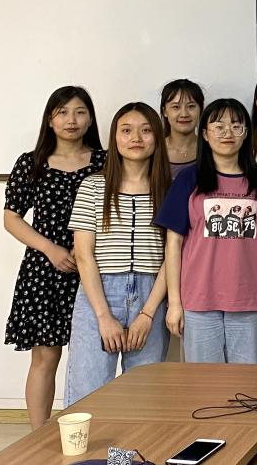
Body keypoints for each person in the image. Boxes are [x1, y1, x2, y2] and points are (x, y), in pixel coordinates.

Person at [2, 85, 106, 429]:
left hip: (94, 268)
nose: (71, 120)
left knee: (93, 359)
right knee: (45, 358)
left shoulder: (106, 162)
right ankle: (38, 436)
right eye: (62, 112)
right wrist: (50, 249)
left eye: (79, 112)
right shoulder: (31, 162)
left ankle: (90, 433)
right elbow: (11, 218)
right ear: (50, 120)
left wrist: (85, 249)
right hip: (44, 271)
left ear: (90, 119)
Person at [156, 99, 257, 364]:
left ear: (246, 133)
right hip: (199, 301)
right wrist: (175, 302)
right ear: (205, 133)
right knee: (203, 383)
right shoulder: (189, 179)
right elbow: (173, 244)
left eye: (236, 126)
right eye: (219, 126)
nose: (228, 133)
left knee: (245, 383)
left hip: (249, 302)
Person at [64, 102, 171, 406]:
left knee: (143, 398)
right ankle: (82, 445)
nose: (136, 138)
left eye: (146, 130)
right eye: (126, 130)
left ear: (157, 137)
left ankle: (128, 446)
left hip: (151, 294)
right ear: (114, 137)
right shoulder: (93, 186)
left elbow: (172, 256)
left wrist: (147, 314)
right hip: (98, 293)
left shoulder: (170, 190)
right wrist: (103, 316)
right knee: (87, 394)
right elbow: (84, 255)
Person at [160, 79, 203, 176]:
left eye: (191, 106)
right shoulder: (155, 150)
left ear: (201, 110)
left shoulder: (211, 149)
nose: (184, 114)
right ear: (165, 111)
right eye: (176, 107)